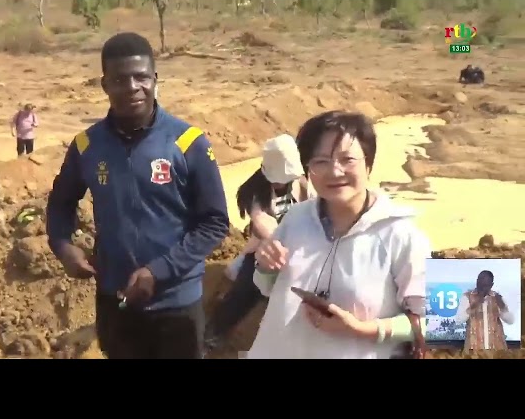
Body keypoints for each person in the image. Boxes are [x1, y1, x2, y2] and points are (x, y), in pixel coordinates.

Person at [45, 32, 229, 359]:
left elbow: (214, 224)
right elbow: (60, 204)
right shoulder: (87, 146)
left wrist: (158, 271)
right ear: (104, 85)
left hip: (177, 305)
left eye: (141, 77)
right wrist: (63, 246)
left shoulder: (188, 142)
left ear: (155, 79)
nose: (132, 87)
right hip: (116, 302)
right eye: (119, 79)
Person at [247, 110, 429, 359]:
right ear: (308, 169)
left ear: (369, 163)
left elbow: (436, 321)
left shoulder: (401, 234)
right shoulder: (296, 218)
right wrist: (266, 266)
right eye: (320, 161)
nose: (334, 171)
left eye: (347, 159)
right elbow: (267, 287)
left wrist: (363, 330)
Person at [204, 134, 313, 352]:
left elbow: (315, 209)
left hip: (302, 248)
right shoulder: (257, 191)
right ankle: (210, 339)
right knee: (245, 291)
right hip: (264, 251)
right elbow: (262, 222)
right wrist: (281, 240)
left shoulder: (301, 184)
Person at [455, 270, 515, 351]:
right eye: (480, 284)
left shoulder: (497, 297)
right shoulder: (467, 297)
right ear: (477, 282)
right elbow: (458, 320)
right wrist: (473, 306)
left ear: (491, 285)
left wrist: (502, 306)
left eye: (485, 285)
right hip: (474, 350)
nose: (482, 288)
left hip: (496, 349)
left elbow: (511, 321)